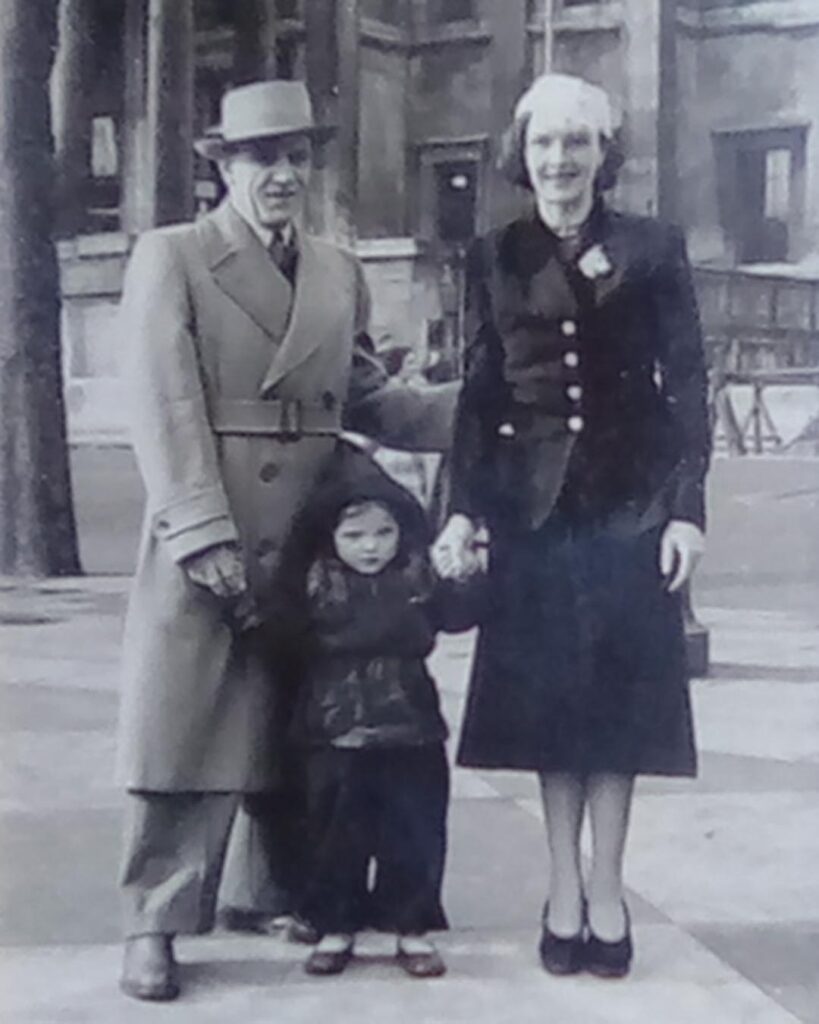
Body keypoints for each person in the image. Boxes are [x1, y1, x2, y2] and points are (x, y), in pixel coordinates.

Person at [116, 80, 458, 1002]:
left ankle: (272, 894)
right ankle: (154, 922)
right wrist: (197, 528)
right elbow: (163, 401)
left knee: (295, 724)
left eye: (295, 156)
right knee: (183, 728)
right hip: (209, 517)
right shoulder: (174, 256)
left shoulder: (336, 268)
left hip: (308, 534)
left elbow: (366, 397)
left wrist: (483, 411)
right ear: (223, 166)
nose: (281, 174)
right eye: (260, 156)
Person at [433, 73, 711, 979]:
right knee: (551, 713)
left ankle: (607, 886)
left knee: (619, 713)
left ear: (602, 155)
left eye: (577, 143)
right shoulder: (494, 253)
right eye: (545, 143)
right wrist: (463, 510)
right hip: (532, 515)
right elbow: (478, 393)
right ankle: (559, 887)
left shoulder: (652, 246)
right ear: (524, 154)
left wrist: (685, 512)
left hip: (627, 511)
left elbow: (686, 387)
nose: (559, 160)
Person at [271, 443, 480, 979]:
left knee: (413, 830)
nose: (371, 547)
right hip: (332, 727)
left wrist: (466, 575)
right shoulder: (312, 583)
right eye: (355, 536)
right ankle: (335, 925)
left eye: (383, 533)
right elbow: (277, 633)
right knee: (333, 835)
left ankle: (410, 927)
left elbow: (459, 616)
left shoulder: (417, 576)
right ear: (330, 537)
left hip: (409, 726)